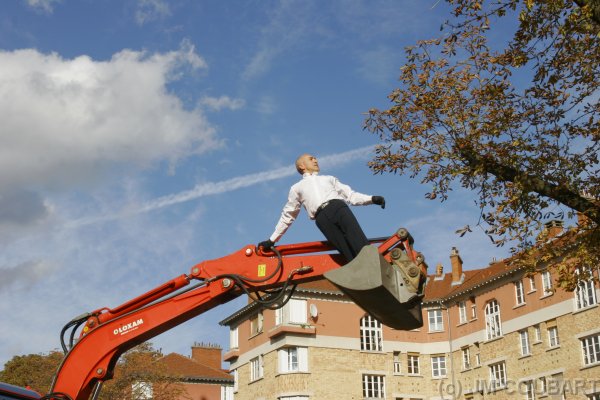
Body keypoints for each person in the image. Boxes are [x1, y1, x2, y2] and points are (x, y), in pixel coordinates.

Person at [258, 153, 385, 261]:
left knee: (360, 244)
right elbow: (288, 214)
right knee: (347, 255)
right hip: (322, 219)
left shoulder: (329, 179)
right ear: (302, 166)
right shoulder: (296, 188)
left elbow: (350, 196)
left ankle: (376, 266)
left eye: (315, 159)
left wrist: (371, 199)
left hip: (339, 208)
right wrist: (272, 240)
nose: (315, 160)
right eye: (311, 158)